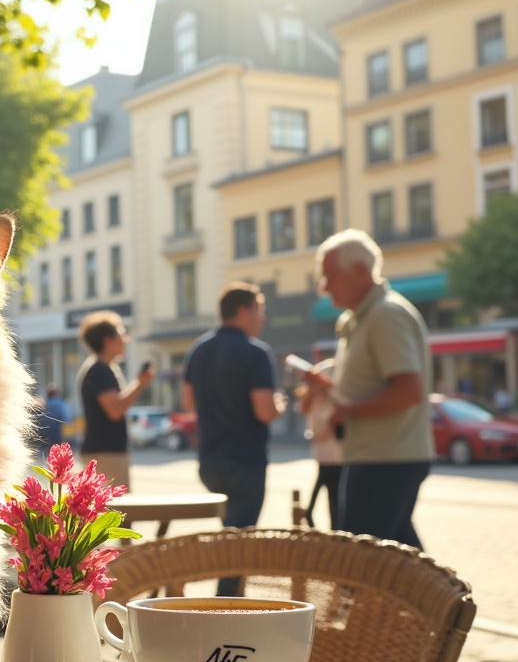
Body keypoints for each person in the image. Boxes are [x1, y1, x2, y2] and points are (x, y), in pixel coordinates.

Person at [303, 230, 433, 549]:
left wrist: (348, 410)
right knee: (399, 561)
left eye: (329, 275)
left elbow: (407, 391)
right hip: (379, 455)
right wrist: (334, 395)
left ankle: (447, 600)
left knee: (365, 562)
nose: (324, 287)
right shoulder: (367, 317)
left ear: (359, 270)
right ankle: (448, 601)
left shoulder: (385, 314)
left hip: (385, 457)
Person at [182, 283, 285, 595]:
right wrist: (280, 403)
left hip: (210, 463)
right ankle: (224, 609)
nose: (262, 317)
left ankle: (232, 603)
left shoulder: (199, 348)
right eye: (259, 309)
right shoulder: (256, 352)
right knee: (239, 548)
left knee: (231, 539)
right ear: (243, 310)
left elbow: (188, 404)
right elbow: (265, 411)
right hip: (246, 462)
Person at [76, 311, 154, 489]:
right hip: (105, 454)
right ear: (107, 340)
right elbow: (115, 410)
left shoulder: (101, 368)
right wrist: (140, 383)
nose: (126, 340)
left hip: (105, 453)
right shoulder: (99, 370)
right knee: (114, 512)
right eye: (121, 334)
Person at [296, 358, 341, 529]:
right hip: (324, 451)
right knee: (329, 500)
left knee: (334, 501)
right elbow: (304, 408)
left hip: (338, 453)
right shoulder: (327, 369)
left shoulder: (336, 371)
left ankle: (335, 534)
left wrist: (326, 391)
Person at [43, 384, 73, 450]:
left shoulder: (47, 404)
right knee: (59, 446)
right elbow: (65, 415)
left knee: (50, 447)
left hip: (48, 428)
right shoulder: (60, 403)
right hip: (59, 427)